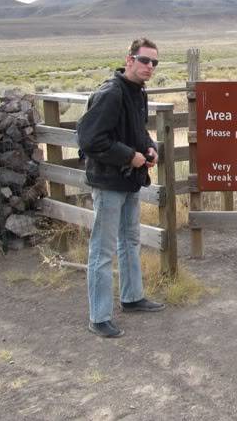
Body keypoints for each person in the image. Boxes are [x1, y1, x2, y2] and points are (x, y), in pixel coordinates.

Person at [77, 37, 166, 338]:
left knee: (129, 239)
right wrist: (130, 155)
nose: (149, 67)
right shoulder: (111, 93)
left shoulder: (137, 92)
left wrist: (150, 148)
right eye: (144, 60)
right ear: (129, 59)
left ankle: (132, 297)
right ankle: (99, 316)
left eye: (154, 62)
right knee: (102, 249)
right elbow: (90, 140)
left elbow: (137, 132)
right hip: (108, 181)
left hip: (129, 179)